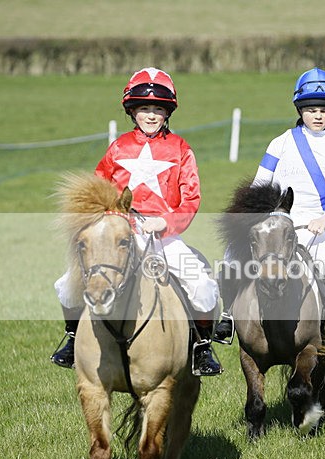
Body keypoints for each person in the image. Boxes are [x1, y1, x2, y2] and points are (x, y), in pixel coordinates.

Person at [50, 67, 223, 377]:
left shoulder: (181, 149)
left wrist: (165, 223)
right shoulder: (118, 148)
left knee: (203, 285)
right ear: (132, 111)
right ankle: (73, 339)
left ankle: (201, 348)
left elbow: (191, 199)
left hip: (164, 235)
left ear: (167, 112)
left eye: (158, 108)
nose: (151, 115)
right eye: (144, 108)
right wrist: (108, 219)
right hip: (120, 232)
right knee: (65, 285)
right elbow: (97, 189)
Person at [212, 67, 325, 370]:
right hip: (276, 224)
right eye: (311, 109)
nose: (317, 115)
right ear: (300, 110)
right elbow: (258, 185)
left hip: (315, 227)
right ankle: (227, 316)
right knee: (229, 258)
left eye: (324, 110)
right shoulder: (280, 143)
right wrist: (258, 218)